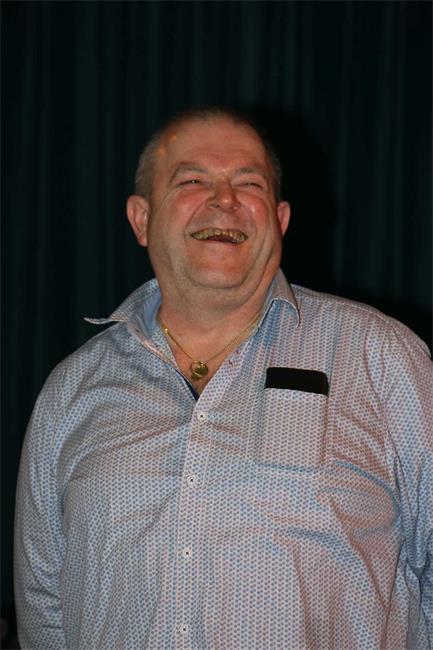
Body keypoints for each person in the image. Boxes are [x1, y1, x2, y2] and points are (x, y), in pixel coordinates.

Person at [14, 107, 432, 649]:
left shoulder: (380, 357)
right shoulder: (72, 389)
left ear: (280, 219)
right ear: (141, 219)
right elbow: (45, 607)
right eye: (192, 180)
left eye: (249, 183)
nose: (224, 200)